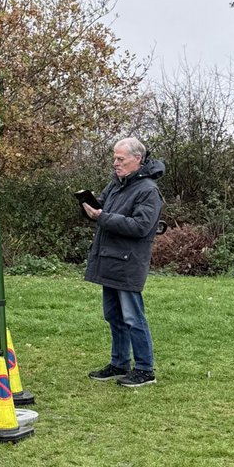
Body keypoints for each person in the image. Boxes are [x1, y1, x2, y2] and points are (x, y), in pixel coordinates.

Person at [82, 137, 164, 387]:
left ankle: (145, 369)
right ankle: (119, 363)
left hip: (128, 263)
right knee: (113, 315)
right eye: (114, 158)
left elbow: (140, 226)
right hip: (110, 260)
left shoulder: (148, 190)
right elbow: (104, 207)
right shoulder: (117, 184)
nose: (115, 163)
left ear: (137, 159)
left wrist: (103, 217)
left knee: (133, 317)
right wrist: (90, 207)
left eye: (120, 159)